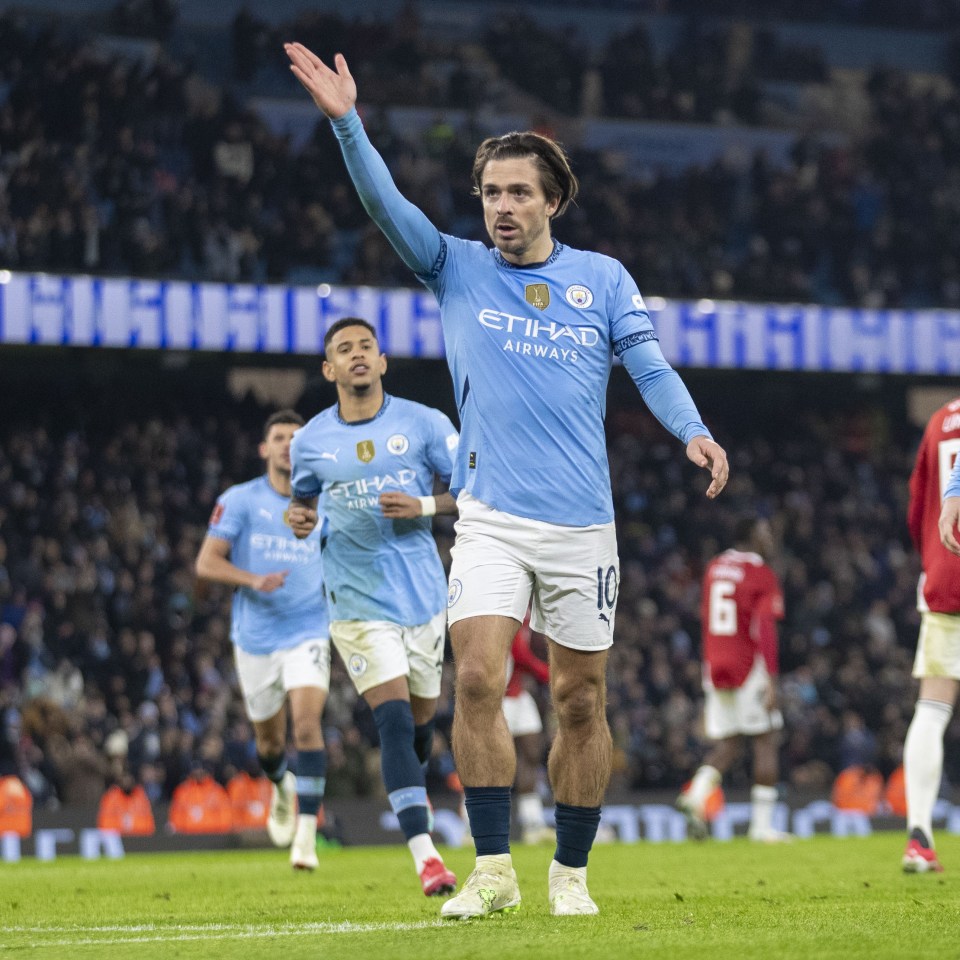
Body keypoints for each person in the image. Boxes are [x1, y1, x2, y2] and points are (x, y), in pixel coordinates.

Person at [284, 42, 728, 919]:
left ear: (553, 199)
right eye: (491, 193)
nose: (502, 207)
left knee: (578, 698)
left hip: (582, 527)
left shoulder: (601, 280)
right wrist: (348, 125)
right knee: (478, 678)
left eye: (520, 191)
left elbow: (650, 368)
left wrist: (694, 431)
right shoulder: (454, 266)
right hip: (488, 518)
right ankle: (492, 872)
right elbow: (385, 205)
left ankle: (570, 873)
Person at [287, 316, 461, 898]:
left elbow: (473, 488)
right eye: (344, 349)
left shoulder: (425, 424)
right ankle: (426, 855)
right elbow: (302, 501)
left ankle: (412, 784)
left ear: (383, 361)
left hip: (422, 596)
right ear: (329, 369)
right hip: (356, 600)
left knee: (420, 725)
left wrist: (423, 504)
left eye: (366, 346)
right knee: (389, 719)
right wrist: (300, 518)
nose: (357, 355)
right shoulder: (310, 440)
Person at [195, 410, 330, 870]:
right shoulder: (240, 500)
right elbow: (207, 563)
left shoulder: (324, 500)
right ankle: (280, 786)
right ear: (264, 448)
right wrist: (252, 579)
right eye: (279, 437)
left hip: (310, 628)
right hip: (256, 637)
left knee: (308, 725)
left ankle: (306, 838)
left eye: (297, 437)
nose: (288, 444)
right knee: (270, 746)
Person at [676, 517, 789, 843]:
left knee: (729, 743)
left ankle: (695, 796)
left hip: (715, 663)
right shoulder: (761, 574)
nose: (770, 537)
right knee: (766, 737)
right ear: (751, 535)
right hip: (746, 663)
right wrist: (771, 677)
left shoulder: (714, 568)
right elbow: (765, 628)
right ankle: (762, 827)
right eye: (766, 531)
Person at [902, 398, 960, 872]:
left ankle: (918, 836)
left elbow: (918, 507)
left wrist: (934, 561)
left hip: (946, 575)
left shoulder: (940, 419)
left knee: (933, 708)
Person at [504, 618, 554, 844]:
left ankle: (532, 824)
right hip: (497, 696)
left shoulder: (528, 609)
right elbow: (518, 653)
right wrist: (547, 673)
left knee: (532, 754)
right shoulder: (508, 603)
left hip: (518, 693)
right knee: (492, 761)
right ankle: (469, 824)